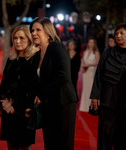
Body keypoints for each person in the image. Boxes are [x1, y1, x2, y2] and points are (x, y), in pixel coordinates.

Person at [30, 17, 77, 150]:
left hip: (64, 103)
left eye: (38, 30)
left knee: (63, 144)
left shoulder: (58, 47)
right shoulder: (36, 56)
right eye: (32, 30)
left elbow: (63, 76)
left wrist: (42, 95)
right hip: (48, 105)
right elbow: (36, 82)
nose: (33, 33)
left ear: (48, 32)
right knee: (50, 144)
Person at [90, 23, 126, 150]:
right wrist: (95, 96)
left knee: (125, 138)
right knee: (105, 138)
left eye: (122, 33)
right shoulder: (107, 52)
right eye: (117, 34)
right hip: (108, 102)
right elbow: (98, 74)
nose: (118, 36)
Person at [0, 25, 38, 150]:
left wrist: (14, 105)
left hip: (24, 111)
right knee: (11, 146)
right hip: (8, 111)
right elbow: (4, 84)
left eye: (22, 38)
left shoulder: (34, 59)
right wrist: (5, 102)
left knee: (24, 146)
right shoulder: (11, 59)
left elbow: (32, 88)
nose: (18, 41)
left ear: (29, 39)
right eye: (15, 38)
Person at [79, 37, 100, 112]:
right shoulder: (85, 51)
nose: (90, 44)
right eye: (89, 42)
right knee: (85, 88)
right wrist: (82, 68)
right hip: (85, 73)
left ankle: (91, 107)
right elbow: (82, 62)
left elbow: (97, 63)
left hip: (91, 72)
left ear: (94, 44)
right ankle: (84, 107)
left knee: (91, 89)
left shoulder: (96, 52)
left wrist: (88, 65)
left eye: (92, 42)